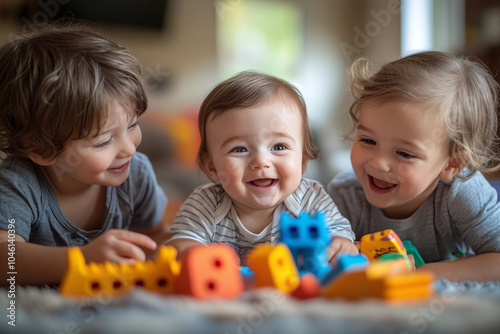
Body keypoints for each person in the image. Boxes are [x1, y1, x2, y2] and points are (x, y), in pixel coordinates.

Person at [0, 24, 168, 286]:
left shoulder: (137, 172)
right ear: (40, 149)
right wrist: (83, 259)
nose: (129, 149)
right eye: (103, 141)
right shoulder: (19, 185)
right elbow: (4, 261)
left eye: (133, 125)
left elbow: (153, 235)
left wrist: (185, 246)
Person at [328, 51, 500, 282]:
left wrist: (422, 273)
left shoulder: (462, 192)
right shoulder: (344, 196)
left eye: (404, 153)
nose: (377, 162)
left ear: (452, 164)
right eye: (368, 141)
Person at [168, 71, 357, 264]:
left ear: (302, 162)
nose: (261, 161)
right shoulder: (205, 204)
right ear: (212, 168)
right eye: (239, 149)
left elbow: (339, 233)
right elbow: (182, 244)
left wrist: (340, 244)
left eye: (278, 147)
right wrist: (188, 251)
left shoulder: (311, 198)